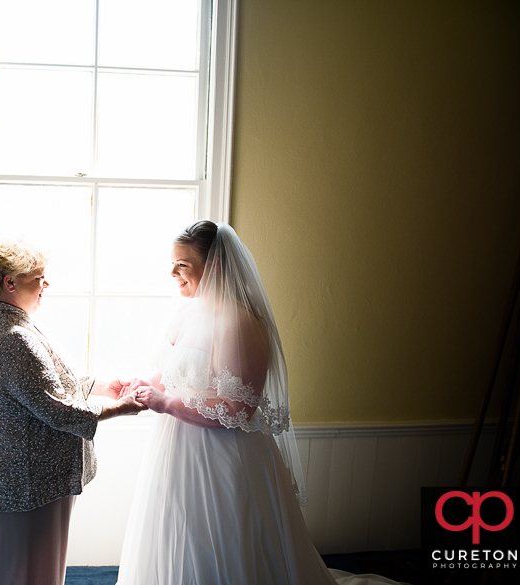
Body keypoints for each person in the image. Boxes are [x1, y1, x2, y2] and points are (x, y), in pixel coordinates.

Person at [117, 221, 405, 585]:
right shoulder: (186, 312)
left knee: (223, 537)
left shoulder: (241, 324)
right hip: (176, 449)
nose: (173, 273)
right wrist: (144, 384)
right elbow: (175, 373)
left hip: (221, 454)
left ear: (216, 266)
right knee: (178, 530)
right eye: (173, 264)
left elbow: (238, 411)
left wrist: (166, 404)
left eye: (182, 265)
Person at [0, 235, 144, 585]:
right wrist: (121, 407)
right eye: (39, 277)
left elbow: (49, 384)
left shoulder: (2, 321)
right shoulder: (14, 336)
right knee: (34, 575)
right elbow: (59, 410)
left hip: (23, 475)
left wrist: (102, 385)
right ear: (10, 282)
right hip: (30, 479)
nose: (46, 283)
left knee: (18, 572)